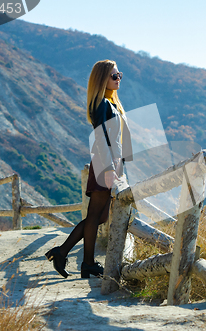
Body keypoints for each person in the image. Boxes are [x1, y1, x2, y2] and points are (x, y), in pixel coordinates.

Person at [45, 60, 132, 278]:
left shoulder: (110, 104)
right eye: (114, 76)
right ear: (103, 79)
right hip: (105, 165)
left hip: (109, 164)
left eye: (119, 74)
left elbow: (117, 140)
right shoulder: (102, 104)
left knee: (99, 216)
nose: (118, 78)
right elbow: (100, 139)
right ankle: (86, 262)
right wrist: (111, 168)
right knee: (95, 216)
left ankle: (64, 253)